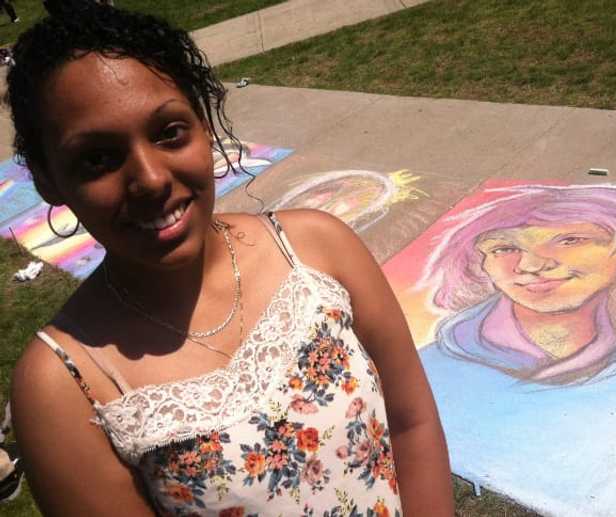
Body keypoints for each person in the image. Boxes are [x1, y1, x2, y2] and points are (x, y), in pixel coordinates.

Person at [5, 4, 453, 515]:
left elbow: (411, 421)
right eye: (99, 159)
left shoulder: (319, 249)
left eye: (168, 132)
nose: (150, 178)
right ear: (46, 178)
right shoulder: (62, 385)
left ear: (202, 121)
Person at [418, 185, 616, 515]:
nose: (531, 265)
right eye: (503, 248)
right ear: (482, 264)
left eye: (570, 240)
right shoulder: (430, 367)